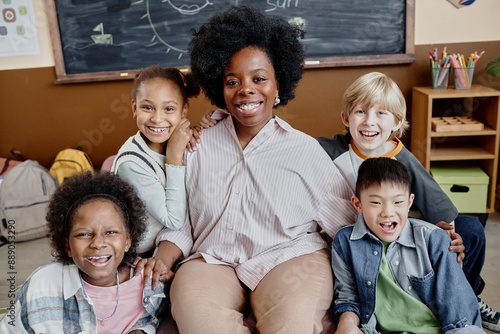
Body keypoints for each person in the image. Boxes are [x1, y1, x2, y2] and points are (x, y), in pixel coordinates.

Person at [151, 6, 357, 334]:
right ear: (220, 87)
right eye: (233, 81)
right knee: (197, 316)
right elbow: (182, 220)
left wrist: (421, 238)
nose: (246, 89)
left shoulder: (304, 151)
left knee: (291, 324)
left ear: (278, 85)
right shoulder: (197, 143)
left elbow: (350, 223)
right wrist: (163, 255)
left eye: (259, 79)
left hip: (289, 258)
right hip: (212, 260)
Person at [317, 72, 499, 331]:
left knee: (470, 230)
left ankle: (467, 295)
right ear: (346, 118)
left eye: (381, 113)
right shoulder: (329, 150)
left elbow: (439, 211)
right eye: (360, 112)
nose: (369, 122)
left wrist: (449, 236)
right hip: (353, 239)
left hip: (397, 231)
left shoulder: (403, 158)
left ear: (396, 122)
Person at [332, 157, 484, 334]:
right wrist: (347, 324)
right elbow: (348, 296)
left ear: (410, 202)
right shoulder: (345, 242)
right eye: (375, 203)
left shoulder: (433, 239)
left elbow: (458, 305)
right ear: (358, 204)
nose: (387, 213)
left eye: (398, 202)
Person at [0, 172, 166, 334]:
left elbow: (157, 319)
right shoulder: (41, 287)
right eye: (83, 234)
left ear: (128, 241)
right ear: (67, 246)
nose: (98, 243)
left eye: (111, 232)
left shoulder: (150, 284)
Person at [111, 65, 200, 255]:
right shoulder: (131, 164)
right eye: (147, 107)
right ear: (134, 108)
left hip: (169, 241)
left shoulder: (176, 139)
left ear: (184, 111)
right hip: (137, 254)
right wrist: (174, 157)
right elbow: (174, 220)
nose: (157, 118)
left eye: (169, 109)